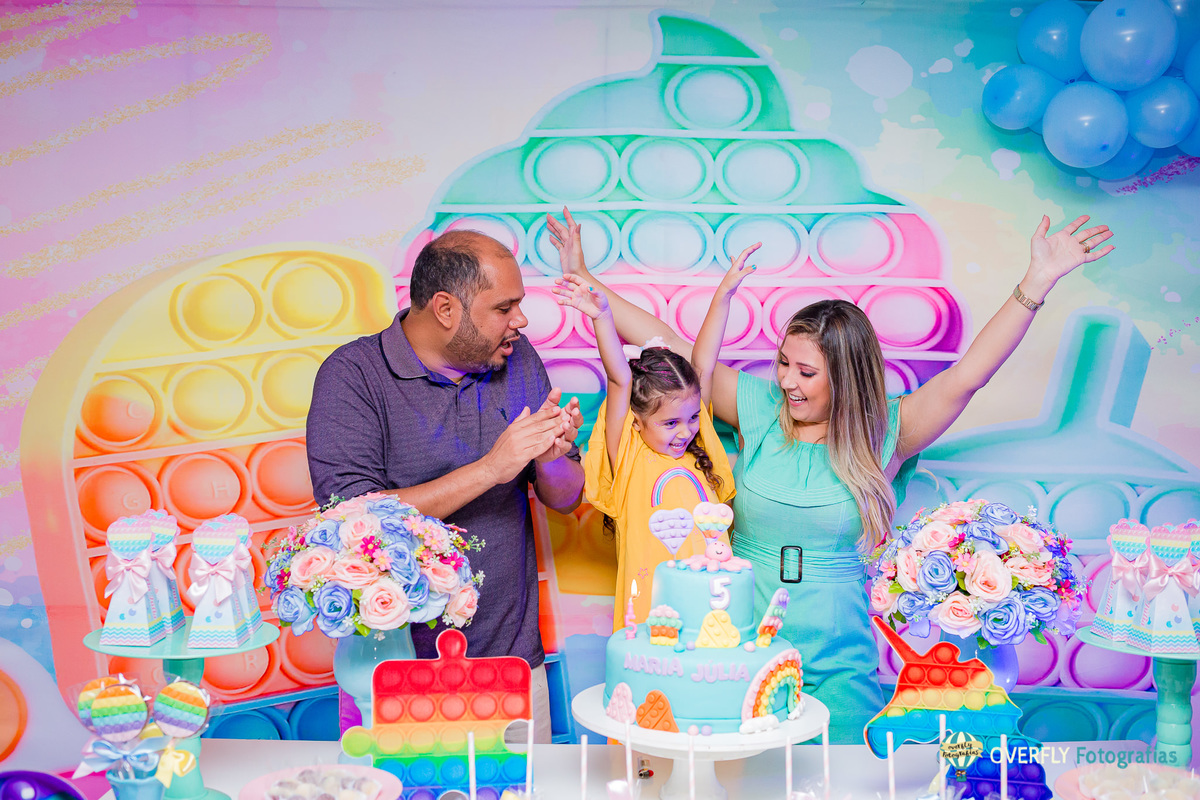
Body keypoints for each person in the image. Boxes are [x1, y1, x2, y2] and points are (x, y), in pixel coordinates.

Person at [547, 207, 1113, 741]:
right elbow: (669, 342)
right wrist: (585, 279)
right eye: (783, 363)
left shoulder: (884, 431)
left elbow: (967, 376)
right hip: (741, 655)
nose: (788, 380)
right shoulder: (760, 409)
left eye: (806, 371)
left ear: (843, 376)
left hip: (841, 671)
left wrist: (1035, 282)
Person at [306, 229, 586, 743]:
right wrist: (491, 468)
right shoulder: (353, 377)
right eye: (505, 308)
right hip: (394, 676)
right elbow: (349, 524)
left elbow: (566, 498)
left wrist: (549, 459)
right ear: (445, 308)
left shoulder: (517, 359)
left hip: (515, 666)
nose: (520, 321)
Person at [548, 244, 757, 630]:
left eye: (693, 417)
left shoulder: (699, 450)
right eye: (670, 423)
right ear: (637, 421)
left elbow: (704, 365)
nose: (686, 430)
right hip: (647, 623)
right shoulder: (625, 453)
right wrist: (603, 318)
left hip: (713, 616)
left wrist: (724, 293)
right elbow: (619, 377)